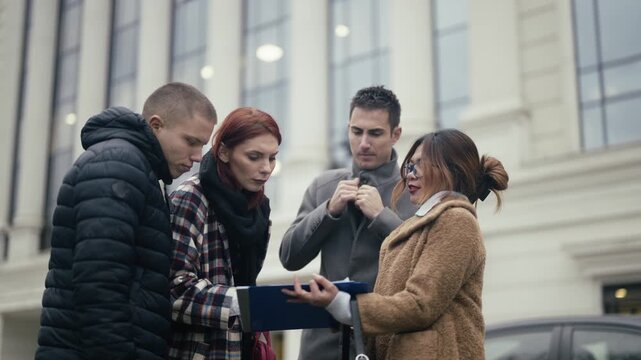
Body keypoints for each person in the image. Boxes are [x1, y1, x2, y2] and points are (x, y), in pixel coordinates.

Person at [284, 129, 510, 360]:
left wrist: (346, 305)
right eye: (410, 165)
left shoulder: (456, 220)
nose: (410, 174)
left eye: (421, 165)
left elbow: (420, 304)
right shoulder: (427, 220)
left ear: (451, 170)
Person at [35, 82, 217, 360]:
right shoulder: (119, 165)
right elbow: (99, 283)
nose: (196, 157)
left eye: (202, 145)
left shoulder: (138, 169)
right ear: (156, 125)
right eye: (190, 141)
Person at [279, 85, 417, 359]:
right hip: (322, 345)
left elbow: (423, 260)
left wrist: (382, 217)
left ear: (395, 134)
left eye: (375, 133)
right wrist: (329, 210)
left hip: (385, 344)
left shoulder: (415, 190)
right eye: (357, 132)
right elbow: (289, 257)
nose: (364, 143)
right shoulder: (323, 186)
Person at [168, 107, 281, 359]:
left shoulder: (259, 208)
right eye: (254, 156)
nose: (266, 168)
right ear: (224, 152)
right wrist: (248, 303)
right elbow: (175, 290)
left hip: (241, 348)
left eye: (272, 158)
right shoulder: (191, 198)